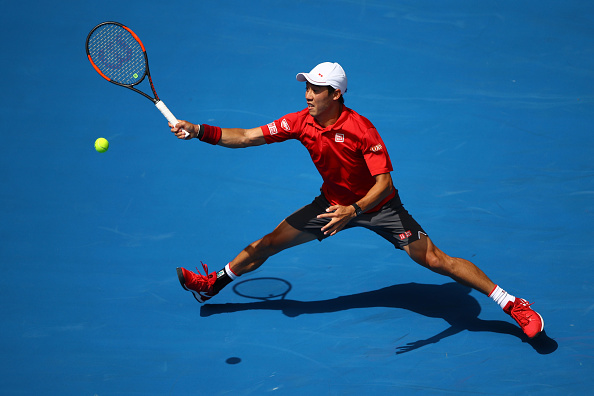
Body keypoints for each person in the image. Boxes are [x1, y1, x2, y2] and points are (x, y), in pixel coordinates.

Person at [169, 62, 544, 339]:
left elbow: (383, 184)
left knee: (435, 260)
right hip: (331, 206)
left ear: (336, 94)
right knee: (267, 244)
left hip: (379, 208)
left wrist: (355, 210)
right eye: (307, 88)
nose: (307, 95)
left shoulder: (361, 129)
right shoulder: (300, 122)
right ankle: (212, 283)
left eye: (316, 89)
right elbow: (248, 136)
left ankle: (512, 303)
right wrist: (198, 130)